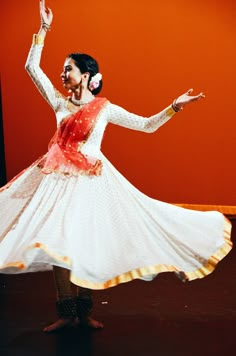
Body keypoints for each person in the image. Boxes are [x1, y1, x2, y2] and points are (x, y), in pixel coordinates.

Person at [0, 0, 232, 333]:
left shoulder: (105, 109)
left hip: (93, 181)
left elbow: (148, 125)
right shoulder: (58, 101)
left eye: (69, 68)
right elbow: (30, 67)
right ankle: (66, 312)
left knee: (88, 239)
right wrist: (43, 29)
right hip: (58, 179)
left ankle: (83, 311)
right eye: (63, 69)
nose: (63, 73)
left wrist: (174, 107)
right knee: (57, 240)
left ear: (86, 75)